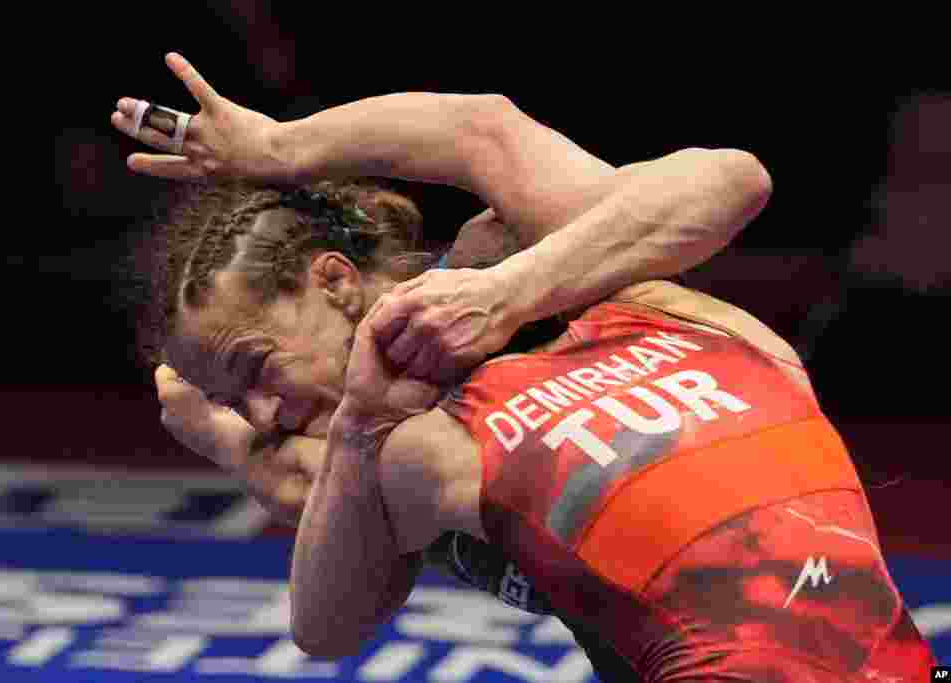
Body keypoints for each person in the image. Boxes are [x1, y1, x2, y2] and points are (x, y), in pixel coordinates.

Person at [114, 55, 936, 679]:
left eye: (257, 368)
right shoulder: (386, 447)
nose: (261, 406)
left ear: (333, 280)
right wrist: (269, 429)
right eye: (238, 398)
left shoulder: (542, 259)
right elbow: (318, 600)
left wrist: (283, 147)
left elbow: (723, 177)